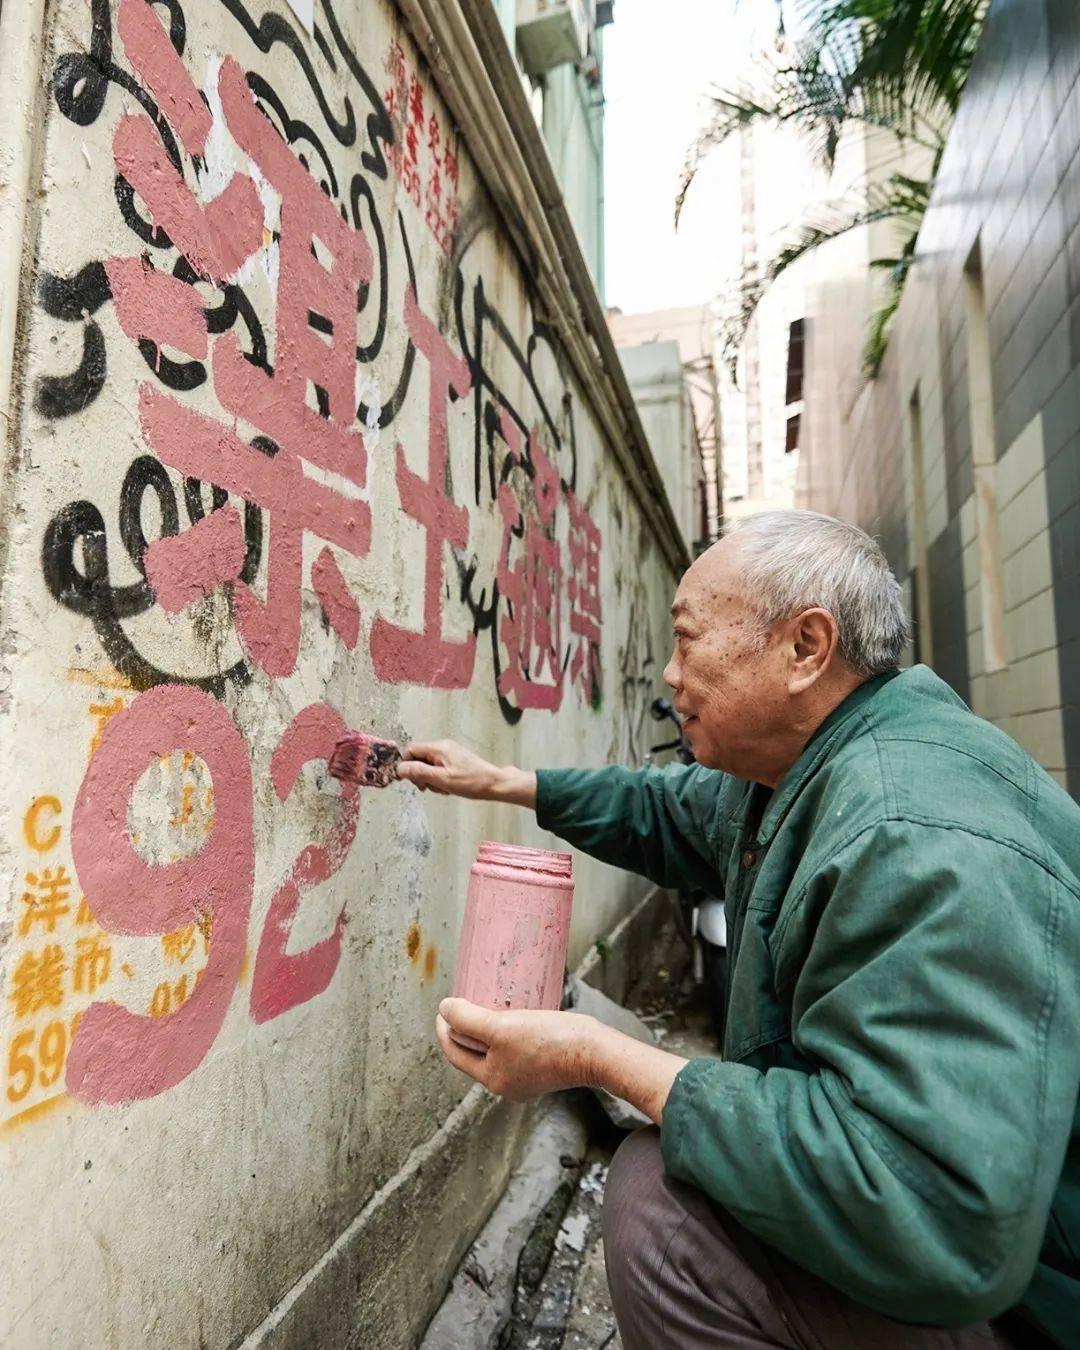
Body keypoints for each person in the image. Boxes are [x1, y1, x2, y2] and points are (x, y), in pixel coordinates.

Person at [396, 510, 1079, 1350]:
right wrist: (503, 781)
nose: (671, 676)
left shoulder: (915, 839)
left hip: (1028, 1302)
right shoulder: (804, 763)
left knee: (662, 1212)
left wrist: (594, 1054)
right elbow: (661, 809)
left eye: (689, 641)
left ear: (805, 647)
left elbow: (937, 1214)